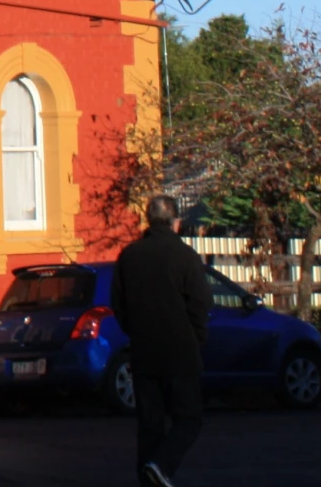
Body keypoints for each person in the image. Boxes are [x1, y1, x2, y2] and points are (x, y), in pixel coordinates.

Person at [110, 194, 212, 487]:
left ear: (148, 219)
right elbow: (201, 303)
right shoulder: (184, 256)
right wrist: (196, 339)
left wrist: (135, 331)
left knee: (150, 424)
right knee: (189, 418)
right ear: (175, 222)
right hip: (181, 351)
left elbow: (119, 303)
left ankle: (150, 475)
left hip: (144, 351)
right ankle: (162, 465)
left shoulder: (129, 256)